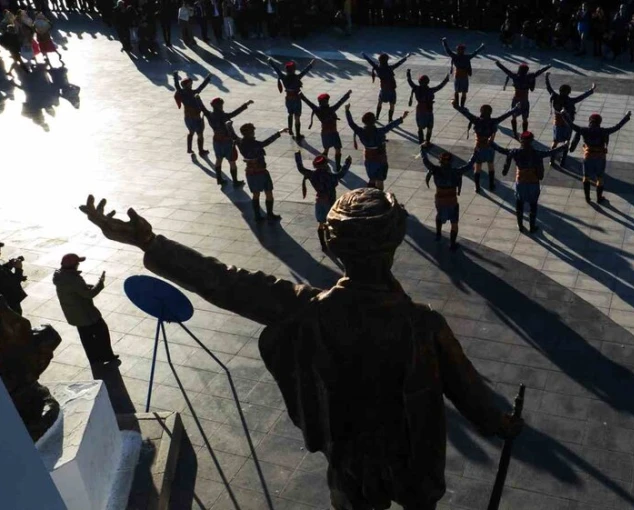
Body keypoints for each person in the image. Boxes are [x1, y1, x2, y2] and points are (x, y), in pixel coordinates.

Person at [79, 189, 523, 510]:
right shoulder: (424, 325)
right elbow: (470, 393)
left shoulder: (303, 310)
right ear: (396, 244)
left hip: (344, 451)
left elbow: (224, 283)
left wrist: (150, 243)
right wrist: (503, 423)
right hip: (411, 459)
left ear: (327, 242)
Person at [491, 132, 566, 234]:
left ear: (521, 141)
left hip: (521, 182)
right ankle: (532, 226)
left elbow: (502, 150)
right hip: (533, 183)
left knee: (519, 204)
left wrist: (491, 143)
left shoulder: (515, 152)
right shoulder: (537, 153)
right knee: (533, 205)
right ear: (531, 141)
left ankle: (520, 226)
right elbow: (550, 152)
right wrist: (564, 146)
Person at [52, 254, 119, 366]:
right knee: (102, 331)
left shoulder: (60, 276)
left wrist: (85, 286)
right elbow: (89, 294)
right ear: (73, 265)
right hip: (85, 313)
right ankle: (107, 355)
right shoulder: (73, 279)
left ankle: (94, 360)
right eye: (77, 263)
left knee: (86, 338)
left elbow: (74, 290)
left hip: (74, 314)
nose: (78, 264)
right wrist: (100, 283)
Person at [565, 110, 632, 204]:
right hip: (600, 158)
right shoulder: (603, 131)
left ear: (590, 121)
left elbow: (572, 125)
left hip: (588, 157)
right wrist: (626, 117)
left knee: (586, 177)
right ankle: (599, 198)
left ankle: (587, 198)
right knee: (600, 178)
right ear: (599, 122)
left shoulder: (584, 130)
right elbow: (617, 127)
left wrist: (564, 114)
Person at [452, 100, 520, 193]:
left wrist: (456, 106)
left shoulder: (476, 120)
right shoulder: (493, 121)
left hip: (479, 147)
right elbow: (506, 115)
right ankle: (491, 184)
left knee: (478, 167)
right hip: (489, 147)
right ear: (490, 113)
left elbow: (465, 113)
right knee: (490, 165)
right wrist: (515, 108)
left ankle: (477, 186)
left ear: (481, 112)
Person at [227, 121, 289, 221]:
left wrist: (229, 126)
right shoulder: (255, 144)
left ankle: (257, 216)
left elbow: (233, 135)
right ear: (250, 133)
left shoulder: (240, 142)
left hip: (250, 172)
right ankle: (269, 214)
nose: (254, 133)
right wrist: (279, 132)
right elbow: (266, 142)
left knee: (256, 194)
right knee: (268, 192)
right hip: (261, 171)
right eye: (253, 131)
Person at [294, 151, 353, 251]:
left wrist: (298, 156)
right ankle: (329, 239)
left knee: (321, 223)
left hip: (319, 202)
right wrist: (347, 162)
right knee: (331, 222)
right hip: (330, 202)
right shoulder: (330, 176)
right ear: (326, 165)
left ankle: (323, 245)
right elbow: (341, 174)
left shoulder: (312, 175)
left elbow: (301, 168)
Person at [345, 104, 409, 190]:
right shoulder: (380, 131)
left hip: (368, 157)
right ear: (374, 121)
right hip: (380, 158)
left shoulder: (360, 131)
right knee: (380, 180)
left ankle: (370, 196)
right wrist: (402, 118)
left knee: (371, 179)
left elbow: (351, 123)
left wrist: (347, 111)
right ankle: (380, 198)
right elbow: (390, 126)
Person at [421, 150, 476, 250]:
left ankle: (438, 235)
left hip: (440, 200)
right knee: (454, 223)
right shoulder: (456, 172)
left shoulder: (435, 170)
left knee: (439, 215)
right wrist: (475, 154)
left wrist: (423, 149)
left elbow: (425, 161)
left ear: (440, 161)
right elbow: (469, 165)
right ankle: (452, 244)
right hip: (452, 201)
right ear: (451, 162)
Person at [544, 72, 595, 167]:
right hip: (568, 124)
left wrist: (546, 77)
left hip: (557, 123)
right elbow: (581, 97)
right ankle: (563, 161)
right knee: (567, 142)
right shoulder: (571, 101)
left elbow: (549, 87)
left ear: (559, 91)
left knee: (555, 142)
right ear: (569, 92)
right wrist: (591, 90)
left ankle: (552, 160)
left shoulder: (555, 97)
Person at [201, 97, 254, 186]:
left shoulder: (209, 115)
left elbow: (202, 107)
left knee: (218, 159)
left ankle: (219, 179)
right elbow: (235, 113)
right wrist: (246, 104)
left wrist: (198, 99)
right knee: (232, 161)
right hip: (227, 142)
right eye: (221, 105)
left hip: (216, 141)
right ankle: (235, 181)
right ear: (219, 106)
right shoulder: (224, 116)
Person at [494, 60, 551, 139]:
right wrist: (547, 66)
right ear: (527, 71)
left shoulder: (515, 76)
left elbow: (506, 70)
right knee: (525, 119)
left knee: (513, 116)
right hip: (525, 101)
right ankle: (524, 134)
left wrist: (498, 64)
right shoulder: (529, 77)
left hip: (516, 100)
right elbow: (539, 72)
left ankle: (514, 133)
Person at [299, 89, 352, 171]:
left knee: (327, 149)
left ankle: (323, 164)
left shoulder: (317, 110)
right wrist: (347, 94)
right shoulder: (331, 109)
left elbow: (309, 103)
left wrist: (302, 96)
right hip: (334, 132)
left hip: (325, 133)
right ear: (327, 101)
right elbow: (340, 102)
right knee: (337, 149)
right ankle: (337, 167)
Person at [267, 57, 315, 140]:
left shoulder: (283, 77)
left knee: (290, 114)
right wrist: (311, 64)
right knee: (297, 117)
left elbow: (277, 69)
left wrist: (270, 61)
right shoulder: (297, 77)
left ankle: (290, 130)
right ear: (294, 70)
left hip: (288, 99)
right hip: (296, 99)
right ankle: (298, 134)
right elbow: (305, 71)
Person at [361, 51, 410, 122]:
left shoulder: (377, 68)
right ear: (387, 60)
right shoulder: (390, 68)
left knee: (380, 102)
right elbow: (399, 63)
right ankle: (390, 119)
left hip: (383, 89)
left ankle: (377, 117)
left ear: (379, 60)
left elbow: (370, 61)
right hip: (391, 89)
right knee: (392, 104)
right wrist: (406, 57)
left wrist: (364, 55)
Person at [405, 69, 449, 148]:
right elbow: (440, 86)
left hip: (420, 110)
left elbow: (409, 80)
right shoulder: (430, 90)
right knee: (430, 127)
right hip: (428, 110)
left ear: (419, 82)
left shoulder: (416, 88)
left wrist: (408, 72)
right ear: (427, 82)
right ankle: (427, 142)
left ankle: (421, 142)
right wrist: (446, 79)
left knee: (420, 127)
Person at [173, 71, 212, 155]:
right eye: (190, 83)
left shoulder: (181, 92)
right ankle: (201, 151)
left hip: (187, 117)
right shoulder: (193, 92)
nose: (191, 84)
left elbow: (177, 85)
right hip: (196, 117)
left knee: (191, 132)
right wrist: (208, 78)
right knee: (200, 134)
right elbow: (201, 87)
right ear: (187, 84)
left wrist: (175, 75)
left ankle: (189, 149)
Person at [441, 37, 484, 107]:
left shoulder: (455, 56)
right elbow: (475, 53)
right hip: (464, 76)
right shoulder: (467, 57)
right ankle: (462, 105)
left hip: (457, 76)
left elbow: (447, 50)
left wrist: (444, 42)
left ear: (457, 50)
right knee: (464, 92)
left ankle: (457, 104)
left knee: (456, 91)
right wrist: (481, 47)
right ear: (464, 51)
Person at [0, 242, 27, 315]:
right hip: (8, 305)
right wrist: (18, 269)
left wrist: (9, 265)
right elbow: (12, 284)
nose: (0, 253)